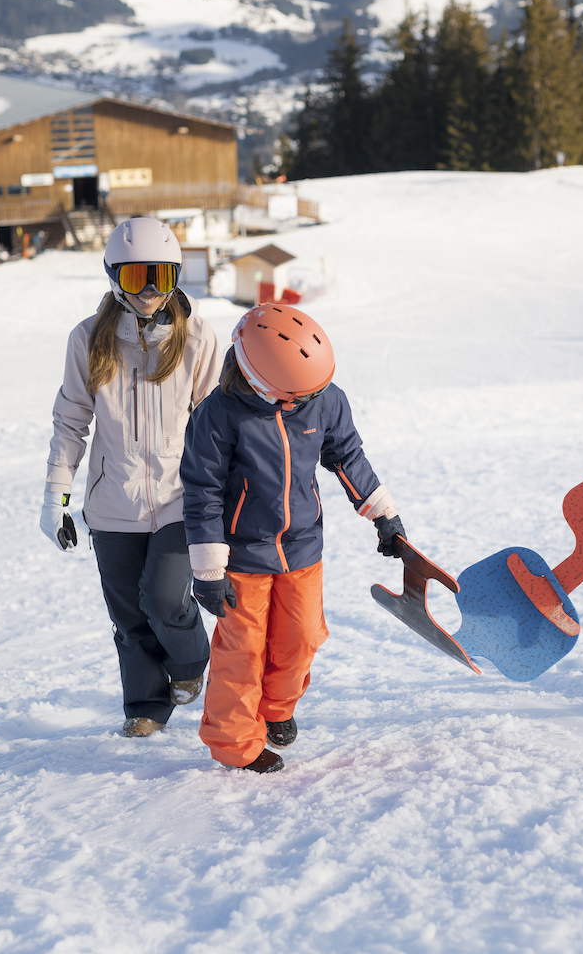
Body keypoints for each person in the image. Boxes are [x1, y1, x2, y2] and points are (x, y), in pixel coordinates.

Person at [181, 303, 405, 774]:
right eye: (298, 396)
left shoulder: (321, 396)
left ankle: (277, 709)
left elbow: (346, 455)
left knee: (300, 639)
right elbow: (202, 494)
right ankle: (235, 744)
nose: (310, 402)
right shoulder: (217, 416)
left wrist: (384, 514)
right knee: (241, 652)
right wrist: (208, 570)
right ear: (260, 381)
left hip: (303, 547)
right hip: (241, 556)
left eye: (314, 393)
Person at [41, 217, 221, 736]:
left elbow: (215, 424)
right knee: (128, 616)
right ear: (113, 275)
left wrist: (226, 494)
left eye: (160, 277)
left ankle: (189, 666)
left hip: (179, 499)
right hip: (111, 502)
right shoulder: (89, 340)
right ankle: (145, 707)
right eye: (135, 275)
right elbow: (71, 420)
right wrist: (56, 497)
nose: (147, 290)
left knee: (166, 600)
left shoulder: (196, 339)